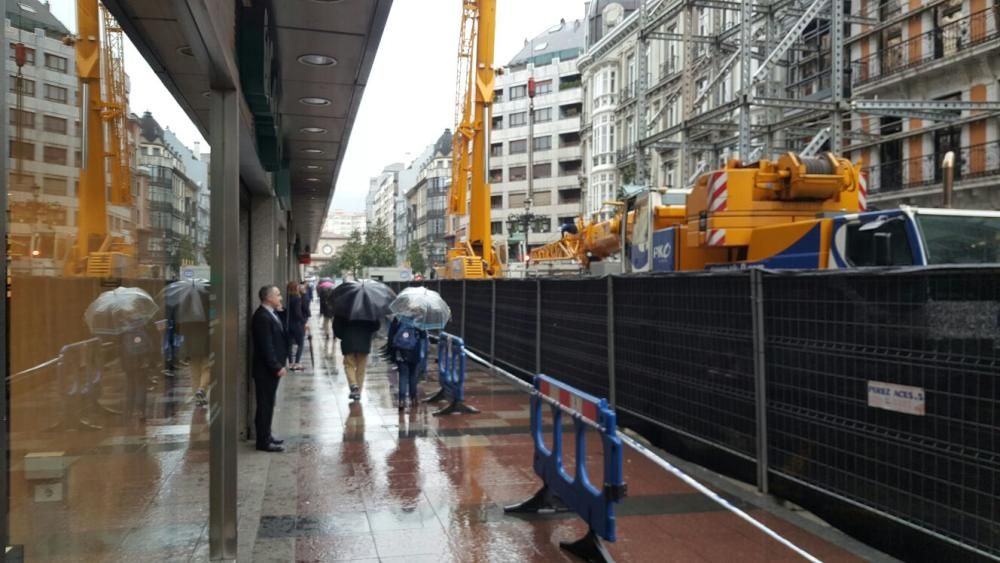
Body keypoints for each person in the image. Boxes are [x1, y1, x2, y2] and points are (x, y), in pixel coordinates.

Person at [251, 285, 288, 452]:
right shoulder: (261, 317)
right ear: (268, 298)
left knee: (269, 403)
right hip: (265, 370)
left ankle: (267, 435)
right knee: (264, 405)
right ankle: (263, 441)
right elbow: (266, 345)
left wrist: (281, 311)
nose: (280, 298)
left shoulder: (270, 314)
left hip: (270, 369)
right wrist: (276, 366)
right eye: (278, 295)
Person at [334, 315, 380, 401]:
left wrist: (343, 335)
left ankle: (353, 384)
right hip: (364, 341)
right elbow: (376, 326)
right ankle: (358, 392)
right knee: (361, 368)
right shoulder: (368, 308)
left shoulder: (344, 308)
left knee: (348, 365)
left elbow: (336, 327)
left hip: (348, 340)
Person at [386, 317, 428, 411]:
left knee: (403, 376)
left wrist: (391, 352)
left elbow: (390, 336)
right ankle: (413, 399)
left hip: (401, 352)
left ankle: (401, 400)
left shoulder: (398, 318)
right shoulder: (419, 319)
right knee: (413, 375)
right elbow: (423, 337)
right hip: (414, 351)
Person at [284, 281, 308, 371]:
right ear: (295, 288)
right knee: (300, 344)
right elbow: (298, 313)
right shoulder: (297, 298)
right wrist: (304, 322)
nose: (299, 288)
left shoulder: (289, 297)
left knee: (289, 344)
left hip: (289, 324)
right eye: (298, 286)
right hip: (297, 325)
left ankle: (290, 363)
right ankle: (297, 363)